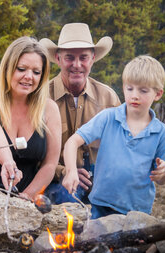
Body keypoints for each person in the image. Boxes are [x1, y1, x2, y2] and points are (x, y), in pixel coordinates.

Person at [62, 55, 165, 219]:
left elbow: (164, 178)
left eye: (143, 90)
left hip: (138, 211)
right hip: (101, 206)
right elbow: (72, 142)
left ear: (157, 94)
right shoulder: (108, 117)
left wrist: (163, 172)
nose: (134, 95)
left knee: (134, 245)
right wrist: (70, 171)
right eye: (129, 88)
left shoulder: (162, 133)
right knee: (98, 243)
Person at [40, 23, 121, 204]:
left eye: (83, 58)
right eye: (69, 58)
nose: (77, 65)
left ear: (92, 59)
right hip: (56, 183)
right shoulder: (41, 97)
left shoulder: (108, 98)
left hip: (102, 183)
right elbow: (32, 153)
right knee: (66, 198)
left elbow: (123, 145)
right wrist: (65, 171)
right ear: (58, 58)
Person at [0, 36, 61, 201]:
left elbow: (50, 164)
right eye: (21, 69)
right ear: (7, 68)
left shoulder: (50, 109)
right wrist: (8, 162)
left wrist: (27, 196)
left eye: (36, 72)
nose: (29, 77)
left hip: (28, 197)